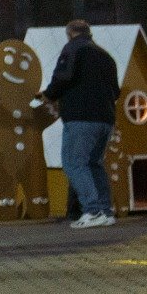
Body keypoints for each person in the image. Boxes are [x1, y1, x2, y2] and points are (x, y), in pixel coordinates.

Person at [44, 20, 119, 228]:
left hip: (80, 118)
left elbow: (62, 77)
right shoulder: (106, 56)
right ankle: (106, 211)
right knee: (94, 163)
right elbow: (116, 90)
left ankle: (92, 211)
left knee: (74, 163)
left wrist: (48, 95)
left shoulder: (73, 49)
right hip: (105, 119)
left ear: (70, 34)